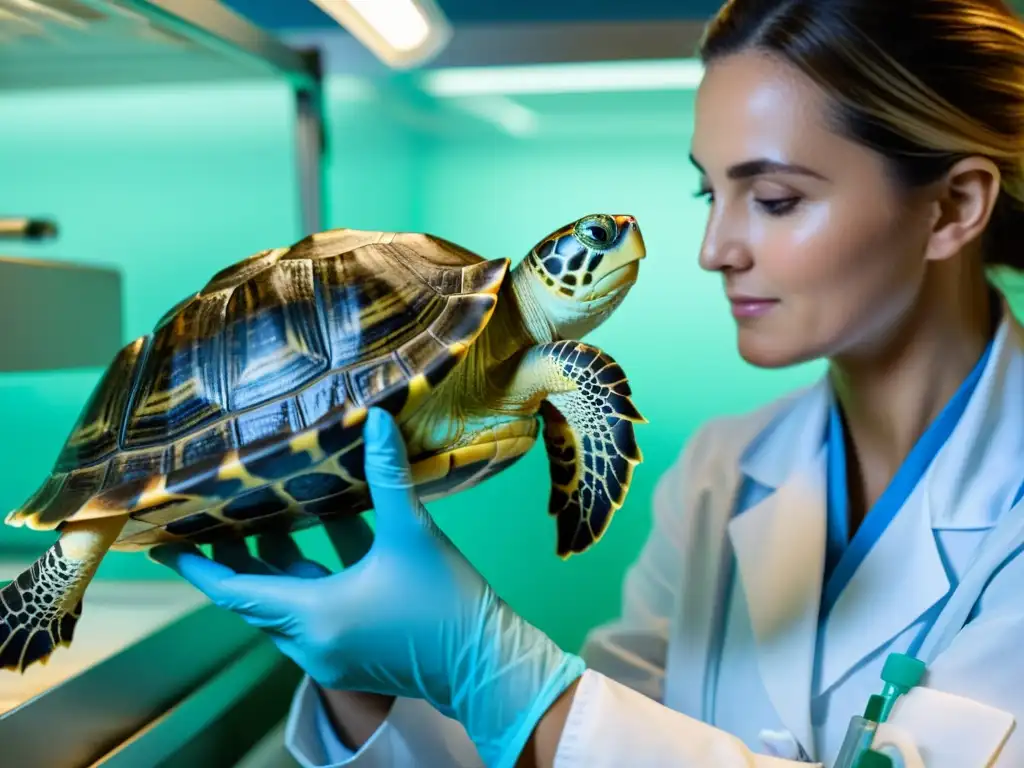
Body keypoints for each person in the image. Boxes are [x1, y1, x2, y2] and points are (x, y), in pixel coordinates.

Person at [149, 0, 1024, 765]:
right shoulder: (725, 468)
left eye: (776, 199)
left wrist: (490, 669)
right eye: (708, 195)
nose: (716, 250)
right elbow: (594, 745)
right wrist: (367, 679)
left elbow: (556, 723)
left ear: (953, 208)